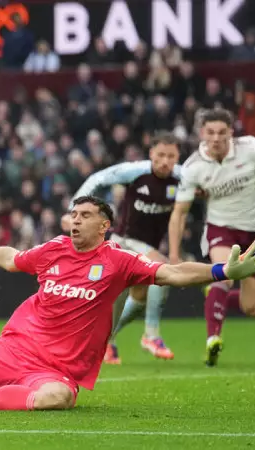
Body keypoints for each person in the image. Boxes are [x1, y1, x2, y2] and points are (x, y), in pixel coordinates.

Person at [0, 195, 255, 412]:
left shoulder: (119, 260)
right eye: (73, 215)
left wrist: (223, 270)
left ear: (104, 226)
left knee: (58, 399)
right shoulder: (53, 249)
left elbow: (173, 273)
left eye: (85, 216)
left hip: (56, 369)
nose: (75, 221)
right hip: (13, 347)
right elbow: (13, 257)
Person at [168, 108, 255, 366]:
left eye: (221, 133)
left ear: (231, 133)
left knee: (253, 308)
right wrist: (173, 253)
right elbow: (179, 212)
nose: (216, 138)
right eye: (210, 132)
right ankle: (212, 338)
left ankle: (215, 297)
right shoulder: (193, 167)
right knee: (224, 274)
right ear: (202, 134)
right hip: (222, 228)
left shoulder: (252, 148)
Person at [68, 132, 181, 364]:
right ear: (151, 154)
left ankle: (105, 340)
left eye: (171, 156)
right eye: (160, 155)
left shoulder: (182, 177)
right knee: (162, 268)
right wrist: (73, 209)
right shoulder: (135, 171)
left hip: (147, 245)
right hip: (124, 241)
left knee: (138, 300)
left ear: (177, 157)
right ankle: (151, 335)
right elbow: (98, 178)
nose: (165, 161)